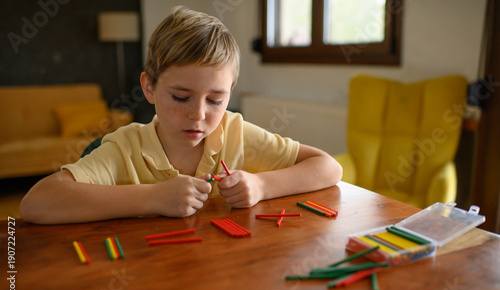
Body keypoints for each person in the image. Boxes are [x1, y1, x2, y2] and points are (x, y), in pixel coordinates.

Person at [20, 6, 342, 224]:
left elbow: (328, 167)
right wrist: (153, 198)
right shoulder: (125, 148)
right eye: (180, 97)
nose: (198, 114)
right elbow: (37, 203)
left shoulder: (236, 133)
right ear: (149, 87)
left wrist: (260, 186)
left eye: (216, 100)